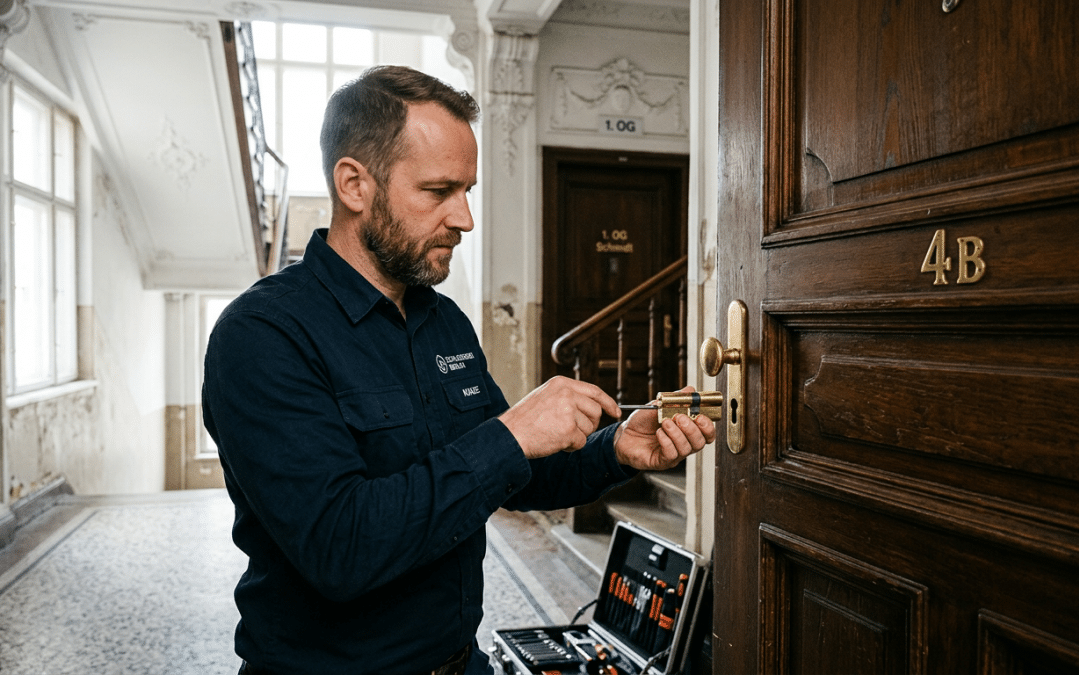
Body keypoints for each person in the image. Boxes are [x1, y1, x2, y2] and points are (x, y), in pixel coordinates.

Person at [202, 65, 715, 675]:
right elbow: (340, 548)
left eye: (467, 191)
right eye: (438, 191)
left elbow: (510, 475)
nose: (464, 218)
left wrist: (615, 451)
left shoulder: (442, 319)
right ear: (353, 184)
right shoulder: (263, 336)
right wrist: (511, 433)